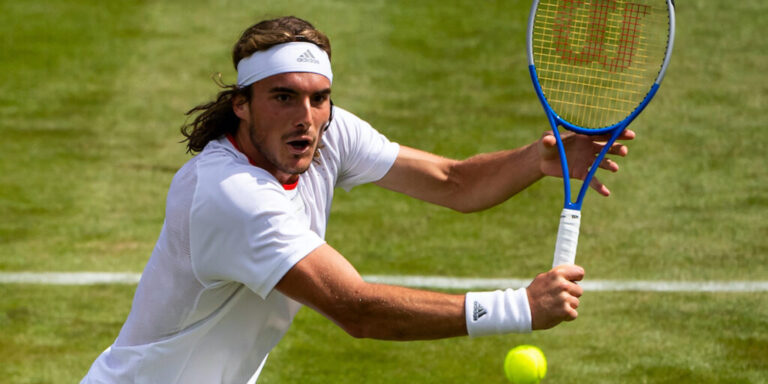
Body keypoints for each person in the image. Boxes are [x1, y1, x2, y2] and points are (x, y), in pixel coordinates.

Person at [81, 16, 634, 384]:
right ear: (242, 105)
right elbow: (357, 309)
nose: (305, 117)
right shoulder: (232, 197)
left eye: (318, 98)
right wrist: (519, 308)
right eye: (283, 97)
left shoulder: (327, 131)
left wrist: (537, 161)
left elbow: (452, 181)